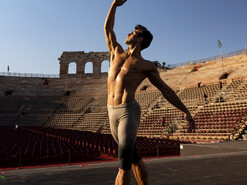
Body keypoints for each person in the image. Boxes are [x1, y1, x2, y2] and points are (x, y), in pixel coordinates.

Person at [104, 0, 195, 184]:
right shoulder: (116, 52)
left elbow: (166, 90)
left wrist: (185, 111)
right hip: (110, 111)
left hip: (128, 111)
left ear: (139, 39)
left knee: (123, 162)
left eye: (133, 32)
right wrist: (114, 4)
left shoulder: (146, 66)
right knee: (133, 157)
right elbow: (107, 28)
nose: (128, 33)